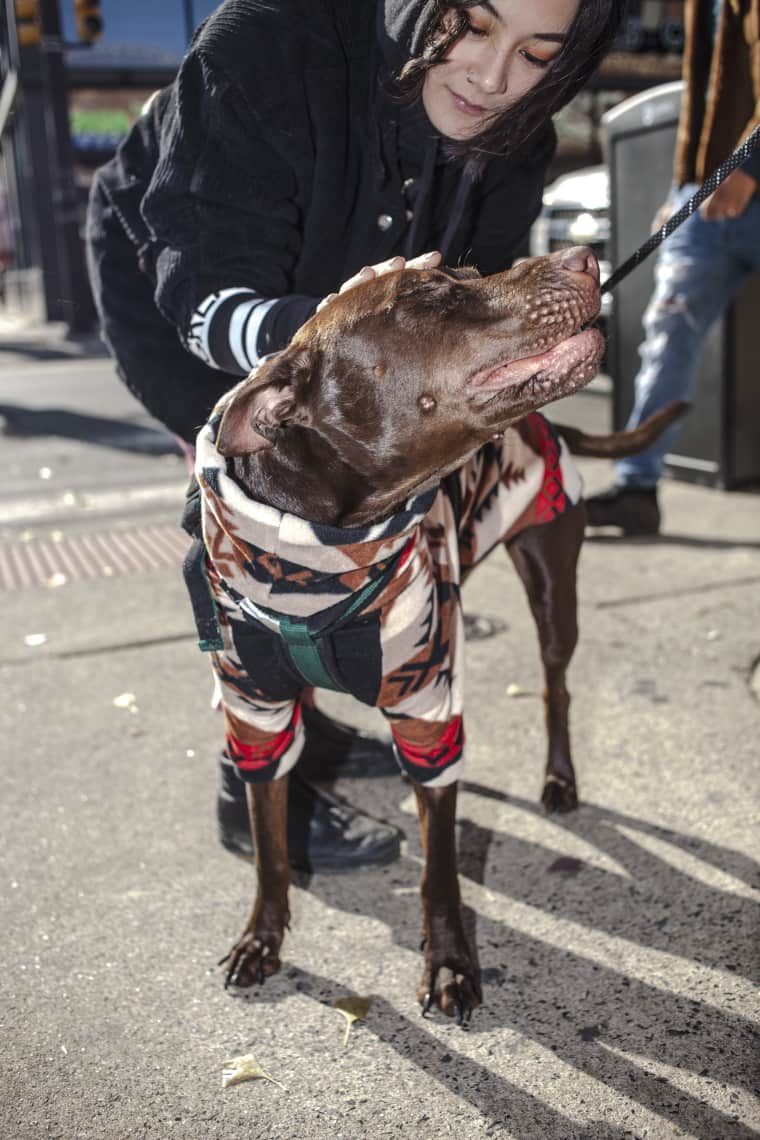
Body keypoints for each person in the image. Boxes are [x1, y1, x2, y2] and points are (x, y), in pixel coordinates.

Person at [86, 0, 624, 870]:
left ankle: (322, 715)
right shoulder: (268, 37)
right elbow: (206, 294)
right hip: (197, 306)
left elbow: (465, 324)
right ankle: (256, 782)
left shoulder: (520, 142)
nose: (494, 81)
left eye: (536, 55)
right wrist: (333, 349)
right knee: (244, 517)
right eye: (474, 27)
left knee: (354, 526)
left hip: (360, 334)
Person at [586, 0, 760, 535]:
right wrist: (685, 181)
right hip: (707, 195)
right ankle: (637, 489)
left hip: (743, 174)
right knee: (668, 329)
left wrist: (747, 166)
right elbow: (710, 86)